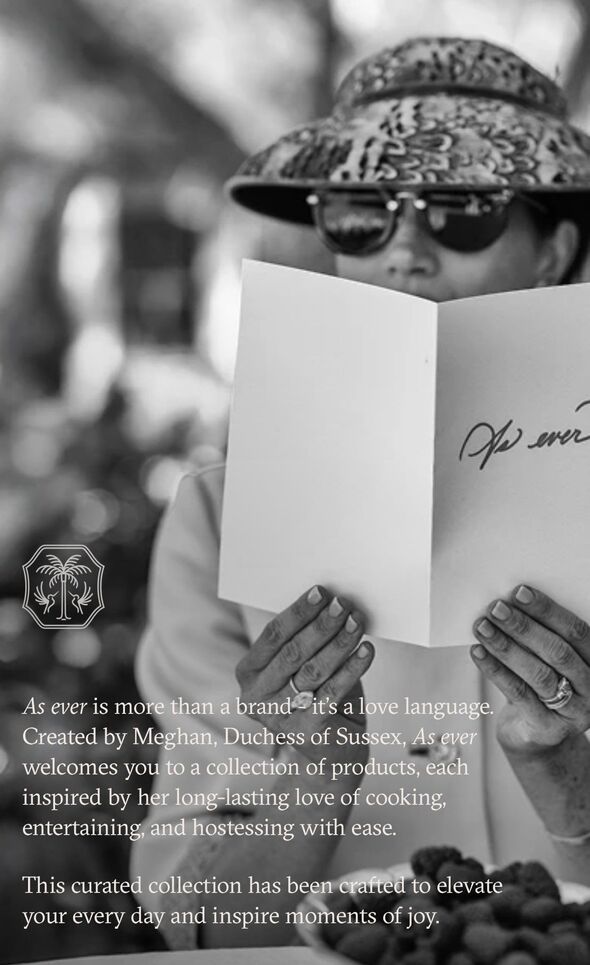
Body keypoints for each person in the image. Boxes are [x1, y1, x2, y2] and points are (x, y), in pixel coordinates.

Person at [131, 37, 590, 948]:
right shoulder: (219, 519)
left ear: (556, 250)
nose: (405, 250)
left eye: (464, 211)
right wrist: (315, 765)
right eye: (360, 215)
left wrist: (571, 782)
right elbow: (206, 929)